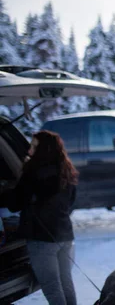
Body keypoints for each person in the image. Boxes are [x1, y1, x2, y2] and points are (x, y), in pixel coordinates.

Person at [8, 130, 78, 305]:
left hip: (41, 238)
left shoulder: (33, 172)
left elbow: (15, 203)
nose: (29, 150)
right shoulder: (66, 170)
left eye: (33, 146)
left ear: (43, 149)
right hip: (64, 235)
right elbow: (70, 203)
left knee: (52, 286)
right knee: (65, 282)